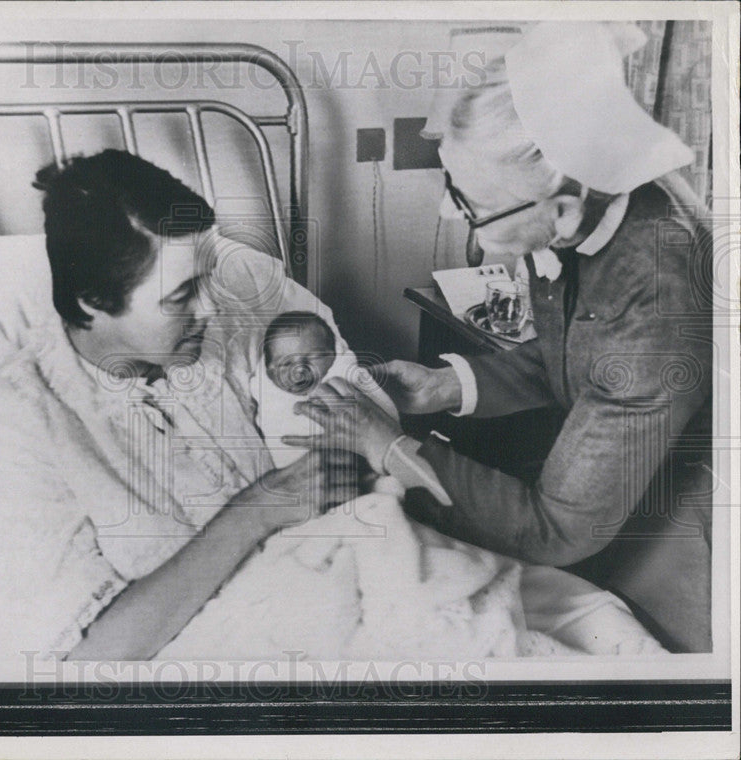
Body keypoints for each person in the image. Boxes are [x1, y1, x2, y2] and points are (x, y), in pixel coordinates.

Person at [287, 22, 713, 652]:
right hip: (623, 488)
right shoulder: (592, 201)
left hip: (693, 535)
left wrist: (392, 451)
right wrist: (443, 385)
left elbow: (558, 529)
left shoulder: (657, 298)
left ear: (561, 212)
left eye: (468, 204)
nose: (445, 213)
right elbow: (570, 351)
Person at [0, 149, 359, 663]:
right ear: (94, 299)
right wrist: (255, 512)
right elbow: (88, 659)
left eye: (209, 277)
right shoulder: (22, 420)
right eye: (181, 295)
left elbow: (347, 408)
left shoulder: (241, 325)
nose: (212, 306)